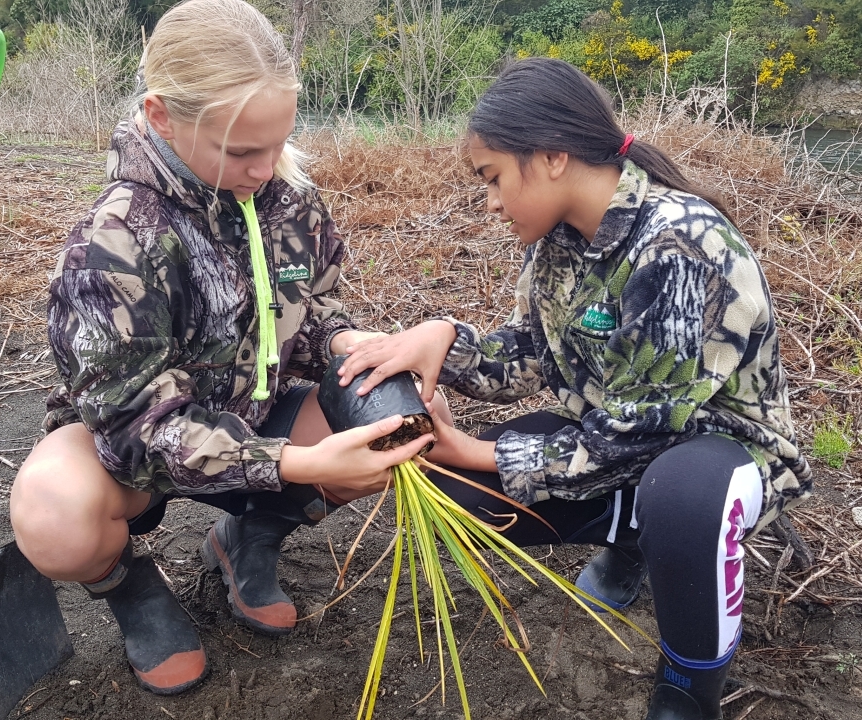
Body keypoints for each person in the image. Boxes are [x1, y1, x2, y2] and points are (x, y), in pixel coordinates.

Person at [337, 57, 812, 720]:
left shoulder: (679, 242)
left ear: (553, 156)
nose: (492, 202)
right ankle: (634, 537)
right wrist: (443, 341)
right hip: (611, 441)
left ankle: (690, 681)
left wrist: (471, 447)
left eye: (493, 177)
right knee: (459, 494)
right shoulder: (558, 241)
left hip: (722, 455)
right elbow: (528, 356)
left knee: (680, 495)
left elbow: (644, 433)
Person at [9, 0, 439, 696]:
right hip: (139, 456)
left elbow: (312, 309)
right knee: (53, 514)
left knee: (404, 419)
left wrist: (346, 340)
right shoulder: (114, 242)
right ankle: (131, 591)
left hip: (255, 410)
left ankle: (250, 540)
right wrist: (297, 460)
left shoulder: (288, 197)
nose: (266, 169)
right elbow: (134, 430)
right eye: (241, 151)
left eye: (278, 144)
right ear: (160, 116)